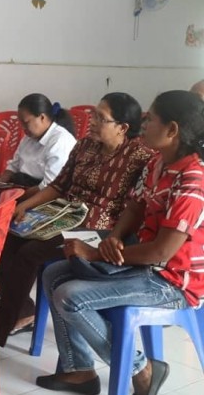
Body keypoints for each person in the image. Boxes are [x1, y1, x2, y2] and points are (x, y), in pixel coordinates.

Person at [36, 90, 204, 395]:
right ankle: (80, 371)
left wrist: (98, 253)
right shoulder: (158, 162)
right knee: (53, 274)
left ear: (172, 130)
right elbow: (135, 205)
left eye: (151, 118)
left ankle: (141, 369)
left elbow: (162, 252)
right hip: (145, 262)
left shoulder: (192, 180)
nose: (144, 123)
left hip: (171, 281)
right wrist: (113, 238)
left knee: (71, 296)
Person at [0, 92, 154, 346]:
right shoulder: (85, 145)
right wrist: (23, 206)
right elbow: (58, 186)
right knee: (5, 238)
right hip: (61, 213)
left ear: (123, 128)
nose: (91, 121)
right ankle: (22, 309)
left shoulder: (140, 158)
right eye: (93, 114)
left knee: (30, 252)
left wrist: (114, 237)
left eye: (101, 118)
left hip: (96, 227)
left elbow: (137, 209)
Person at [0, 93, 77, 200]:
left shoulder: (60, 141)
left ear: (42, 117)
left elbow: (48, 186)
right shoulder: (29, 138)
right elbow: (14, 165)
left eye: (26, 123)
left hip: (44, 195)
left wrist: (17, 197)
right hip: (23, 187)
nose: (23, 128)